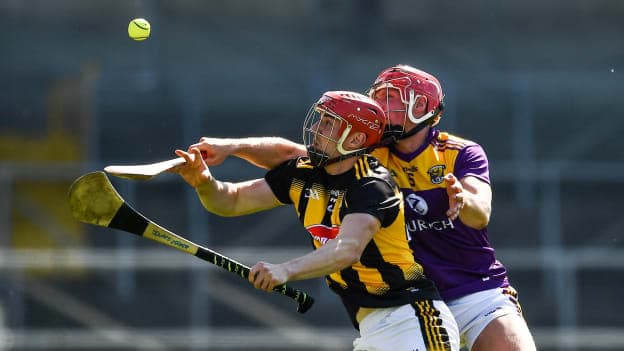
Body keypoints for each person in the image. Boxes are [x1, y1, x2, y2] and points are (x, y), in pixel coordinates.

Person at [187, 65, 537, 351]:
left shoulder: (459, 152)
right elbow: (291, 157)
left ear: (424, 110)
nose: (385, 109)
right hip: (399, 302)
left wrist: (461, 200)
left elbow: (481, 213)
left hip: (472, 291)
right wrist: (229, 147)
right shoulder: (363, 151)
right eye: (381, 99)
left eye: (396, 101)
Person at [173, 91, 459, 351]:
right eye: (319, 120)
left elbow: (347, 249)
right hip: (369, 326)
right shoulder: (303, 173)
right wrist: (204, 182)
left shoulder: (372, 184)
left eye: (328, 124)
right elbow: (231, 201)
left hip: (411, 319)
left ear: (357, 139)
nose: (315, 129)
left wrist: (286, 270)